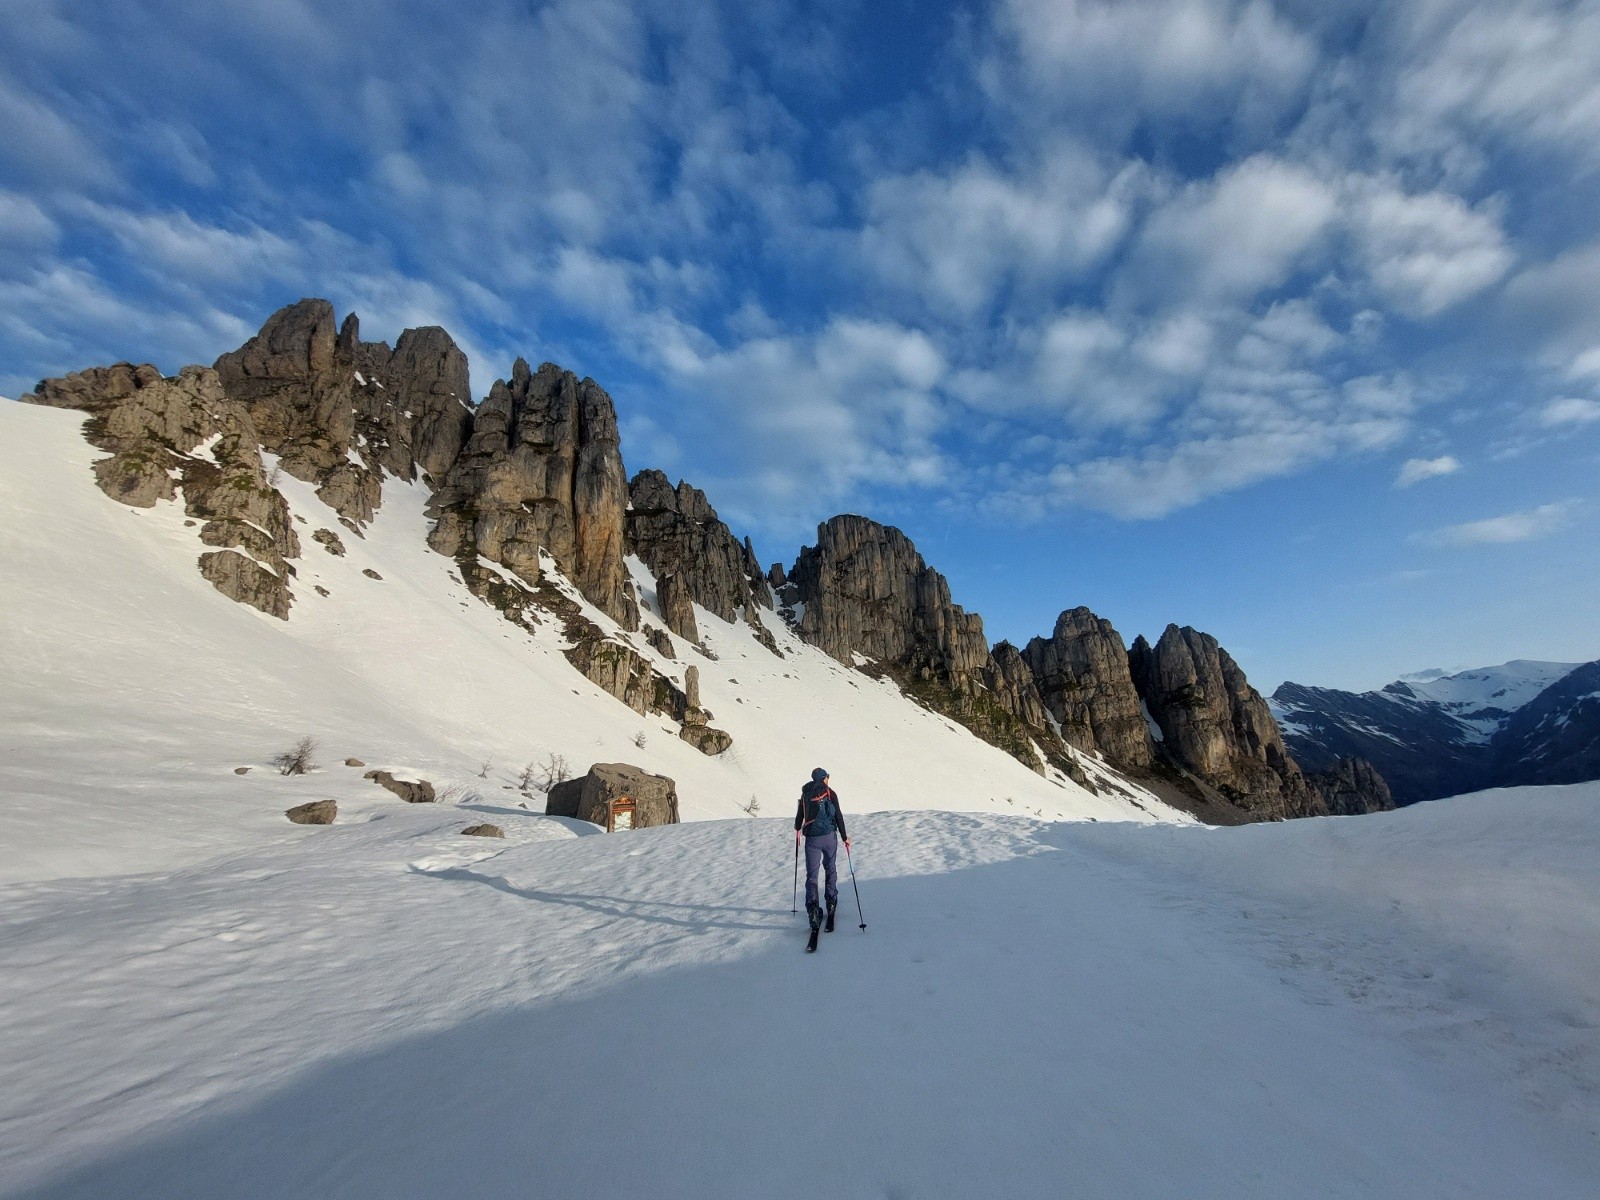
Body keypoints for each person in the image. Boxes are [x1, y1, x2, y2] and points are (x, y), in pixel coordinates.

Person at [795, 767, 849, 948]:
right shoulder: (830, 793)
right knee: (830, 868)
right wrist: (844, 837)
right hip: (829, 838)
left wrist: (797, 829)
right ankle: (831, 901)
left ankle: (812, 910)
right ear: (824, 778)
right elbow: (839, 816)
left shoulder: (805, 794)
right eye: (827, 777)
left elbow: (799, 818)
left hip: (811, 839)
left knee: (812, 876)